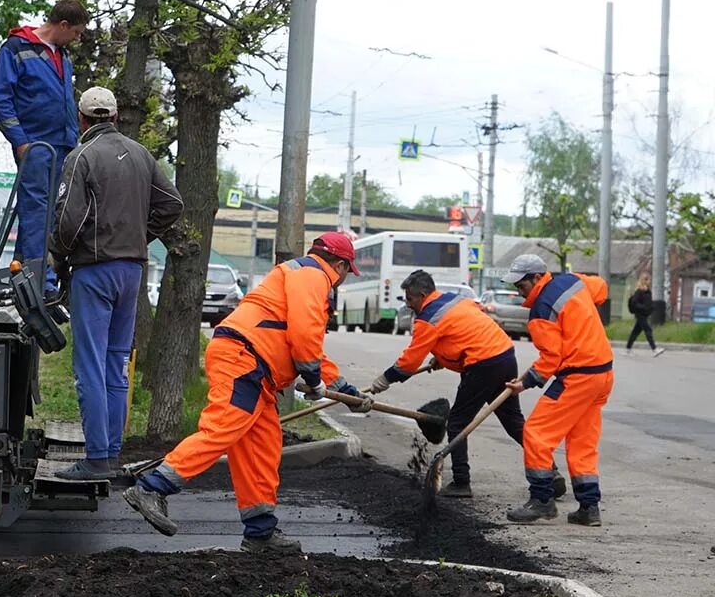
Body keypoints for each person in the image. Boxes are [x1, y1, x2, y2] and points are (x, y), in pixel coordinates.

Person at [123, 232, 376, 553]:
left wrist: (345, 391)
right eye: (345, 272)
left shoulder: (301, 277)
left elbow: (309, 348)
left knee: (262, 449)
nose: (342, 280)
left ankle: (260, 532)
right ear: (340, 265)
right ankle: (150, 487)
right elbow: (304, 336)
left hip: (252, 368)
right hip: (244, 361)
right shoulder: (314, 276)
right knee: (224, 426)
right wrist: (313, 382)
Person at [48, 87, 183, 480]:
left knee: (89, 364)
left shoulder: (82, 157)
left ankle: (94, 460)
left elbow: (67, 222)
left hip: (94, 271)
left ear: (83, 119)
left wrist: (59, 256)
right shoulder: (141, 155)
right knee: (117, 364)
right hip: (132, 273)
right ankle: (110, 452)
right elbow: (172, 204)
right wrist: (141, 237)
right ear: (116, 115)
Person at [371, 270, 565, 500]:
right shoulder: (454, 300)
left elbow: (409, 362)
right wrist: (444, 357)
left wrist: (384, 380)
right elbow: (465, 330)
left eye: (410, 299)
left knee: (457, 422)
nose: (408, 304)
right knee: (514, 422)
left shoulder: (428, 317)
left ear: (422, 295)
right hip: (504, 356)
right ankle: (549, 472)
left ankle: (462, 482)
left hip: (482, 365)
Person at [501, 254, 613, 527]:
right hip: (602, 374)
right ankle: (589, 507)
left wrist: (524, 383)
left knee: (536, 434)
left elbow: (551, 358)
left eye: (522, 284)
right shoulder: (572, 281)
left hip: (578, 377)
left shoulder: (541, 309)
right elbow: (601, 288)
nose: (518, 290)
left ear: (538, 277)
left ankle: (542, 501)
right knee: (581, 442)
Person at [0, 0, 89, 294]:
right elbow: (1, 98)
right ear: (63, 25)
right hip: (35, 145)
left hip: (61, 144)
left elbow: (64, 101)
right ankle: (39, 280)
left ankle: (24, 270)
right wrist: (20, 141)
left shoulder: (62, 54)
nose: (78, 38)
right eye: (77, 32)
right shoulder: (17, 48)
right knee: (38, 210)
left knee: (48, 212)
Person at [626, 273, 665, 357]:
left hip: (645, 314)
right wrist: (643, 307)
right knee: (648, 330)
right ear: (644, 281)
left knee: (635, 332)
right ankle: (654, 349)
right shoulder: (639, 291)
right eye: (648, 280)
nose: (650, 282)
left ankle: (628, 349)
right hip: (640, 314)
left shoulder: (647, 291)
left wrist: (651, 307)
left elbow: (648, 302)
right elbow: (634, 302)